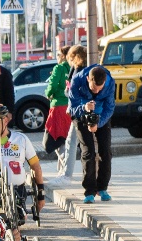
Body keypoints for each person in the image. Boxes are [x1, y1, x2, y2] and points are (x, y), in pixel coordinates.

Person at [68, 56, 116, 204]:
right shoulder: (77, 80)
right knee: (88, 151)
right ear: (88, 78)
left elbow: (110, 107)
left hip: (101, 116)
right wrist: (84, 108)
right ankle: (89, 191)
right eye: (93, 89)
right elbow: (72, 109)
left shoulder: (109, 83)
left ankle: (102, 188)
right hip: (81, 115)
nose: (96, 91)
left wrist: (99, 123)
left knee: (105, 152)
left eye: (99, 89)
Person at [43, 46, 75, 154]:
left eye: (57, 54)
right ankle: (64, 165)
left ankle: (64, 167)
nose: (56, 57)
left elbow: (52, 86)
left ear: (63, 56)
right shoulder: (74, 68)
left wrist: (48, 94)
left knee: (56, 137)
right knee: (67, 137)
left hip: (58, 107)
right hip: (71, 107)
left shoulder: (59, 68)